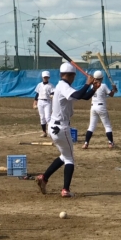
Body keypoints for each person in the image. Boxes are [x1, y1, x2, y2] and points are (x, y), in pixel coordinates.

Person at [36, 63, 99, 197]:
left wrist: (93, 89)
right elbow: (79, 95)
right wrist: (87, 84)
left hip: (54, 127)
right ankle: (65, 190)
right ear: (71, 75)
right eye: (74, 76)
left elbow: (83, 96)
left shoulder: (62, 86)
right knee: (69, 159)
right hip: (61, 128)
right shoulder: (63, 86)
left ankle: (44, 177)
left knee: (64, 156)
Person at [82, 70, 118, 149]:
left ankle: (86, 143)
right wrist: (114, 90)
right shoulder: (103, 85)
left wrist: (113, 90)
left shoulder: (92, 86)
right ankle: (110, 143)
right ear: (101, 78)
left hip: (93, 107)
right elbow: (111, 94)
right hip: (101, 107)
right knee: (107, 125)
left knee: (91, 126)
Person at [33, 71, 55, 138]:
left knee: (47, 118)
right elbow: (37, 94)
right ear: (42, 77)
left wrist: (52, 95)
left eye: (47, 77)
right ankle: (44, 132)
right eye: (44, 77)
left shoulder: (51, 85)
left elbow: (53, 93)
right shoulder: (39, 85)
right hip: (40, 101)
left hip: (47, 102)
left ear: (48, 77)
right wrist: (35, 102)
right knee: (42, 117)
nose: (45, 78)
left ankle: (51, 132)